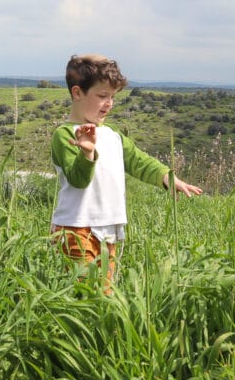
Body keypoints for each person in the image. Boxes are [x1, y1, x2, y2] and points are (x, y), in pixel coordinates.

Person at [50, 54, 202, 290]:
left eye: (112, 96)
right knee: (85, 294)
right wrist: (87, 154)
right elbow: (78, 180)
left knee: (105, 292)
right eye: (101, 96)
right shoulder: (65, 135)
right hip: (75, 228)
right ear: (77, 93)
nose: (109, 103)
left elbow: (138, 161)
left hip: (108, 228)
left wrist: (167, 178)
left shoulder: (112, 134)